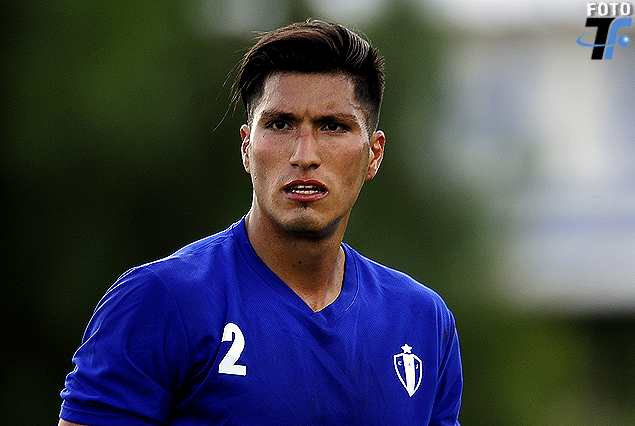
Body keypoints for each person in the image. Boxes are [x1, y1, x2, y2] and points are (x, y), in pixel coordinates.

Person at [58, 19, 462, 426]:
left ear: (373, 154)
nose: (304, 155)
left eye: (333, 126)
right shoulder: (162, 300)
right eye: (280, 124)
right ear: (247, 148)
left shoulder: (423, 321)